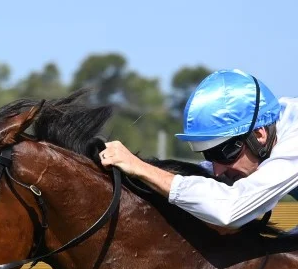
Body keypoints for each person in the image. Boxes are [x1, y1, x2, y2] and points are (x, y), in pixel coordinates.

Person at [99, 69, 298, 231]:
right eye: (209, 155)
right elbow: (200, 178)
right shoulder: (270, 120)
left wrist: (139, 167)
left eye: (224, 153)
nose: (217, 170)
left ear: (258, 135)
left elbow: (229, 209)